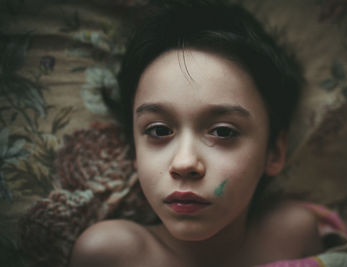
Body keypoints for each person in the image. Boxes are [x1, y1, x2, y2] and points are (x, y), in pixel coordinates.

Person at [68, 1, 323, 266]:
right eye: (159, 130)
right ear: (134, 150)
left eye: (223, 132)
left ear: (274, 152)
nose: (184, 163)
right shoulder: (110, 254)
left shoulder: (293, 235)